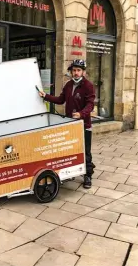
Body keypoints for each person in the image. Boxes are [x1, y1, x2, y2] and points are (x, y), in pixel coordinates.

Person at [38, 59, 96, 189]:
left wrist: (81, 114)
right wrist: (45, 96)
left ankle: (88, 176)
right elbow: (60, 100)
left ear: (83, 72)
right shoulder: (68, 85)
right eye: (74, 70)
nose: (76, 73)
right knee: (71, 149)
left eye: (78, 70)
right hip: (70, 124)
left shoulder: (88, 86)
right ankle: (72, 172)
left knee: (85, 151)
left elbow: (90, 104)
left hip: (83, 125)